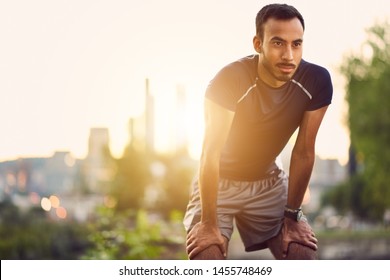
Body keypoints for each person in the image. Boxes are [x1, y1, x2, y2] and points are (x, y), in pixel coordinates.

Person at [183, 3, 333, 260]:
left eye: (296, 44)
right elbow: (210, 154)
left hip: (268, 182)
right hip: (218, 182)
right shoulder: (228, 80)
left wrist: (294, 215)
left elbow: (304, 151)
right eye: (278, 43)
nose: (289, 55)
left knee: (301, 251)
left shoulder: (316, 81)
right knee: (207, 254)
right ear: (257, 43)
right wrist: (208, 223)